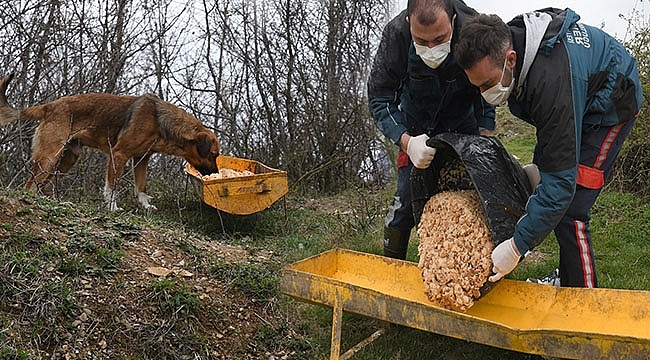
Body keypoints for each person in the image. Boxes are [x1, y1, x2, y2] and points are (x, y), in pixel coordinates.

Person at [455, 9, 643, 287]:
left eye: (487, 84)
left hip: (613, 104)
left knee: (573, 206)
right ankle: (567, 277)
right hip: (578, 95)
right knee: (551, 185)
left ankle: (583, 299)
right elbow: (552, 132)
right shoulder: (511, 46)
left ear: (510, 60)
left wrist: (517, 246)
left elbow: (561, 187)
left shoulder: (550, 81)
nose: (485, 94)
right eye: (477, 86)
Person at [367, 0, 495, 260]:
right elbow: (379, 98)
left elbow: (485, 87)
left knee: (472, 200)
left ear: (454, 20)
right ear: (408, 23)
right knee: (404, 201)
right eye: (421, 42)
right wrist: (406, 141)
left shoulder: (474, 29)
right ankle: (391, 270)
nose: (431, 49)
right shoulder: (396, 37)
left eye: (440, 39)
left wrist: (485, 135)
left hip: (463, 123)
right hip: (415, 126)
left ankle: (471, 264)